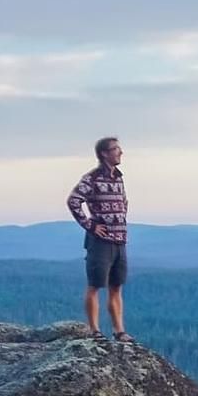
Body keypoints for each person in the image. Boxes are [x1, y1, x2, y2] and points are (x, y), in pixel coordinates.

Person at [67, 135, 132, 341]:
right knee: (95, 285)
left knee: (116, 286)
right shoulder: (92, 178)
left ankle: (119, 331)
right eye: (115, 149)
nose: (120, 152)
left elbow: (124, 202)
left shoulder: (118, 177)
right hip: (101, 242)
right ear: (104, 153)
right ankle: (94, 330)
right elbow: (74, 201)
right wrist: (91, 225)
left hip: (120, 239)